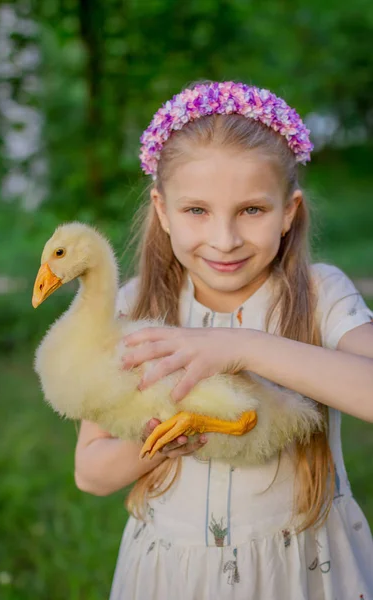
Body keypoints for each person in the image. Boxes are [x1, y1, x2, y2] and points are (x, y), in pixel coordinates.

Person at [74, 81, 373, 599]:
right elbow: (91, 473)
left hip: (300, 573)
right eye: (197, 211)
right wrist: (171, 439)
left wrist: (245, 346)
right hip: (173, 576)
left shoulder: (320, 293)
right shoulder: (132, 308)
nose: (225, 239)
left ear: (288, 212)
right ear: (163, 211)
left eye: (252, 210)